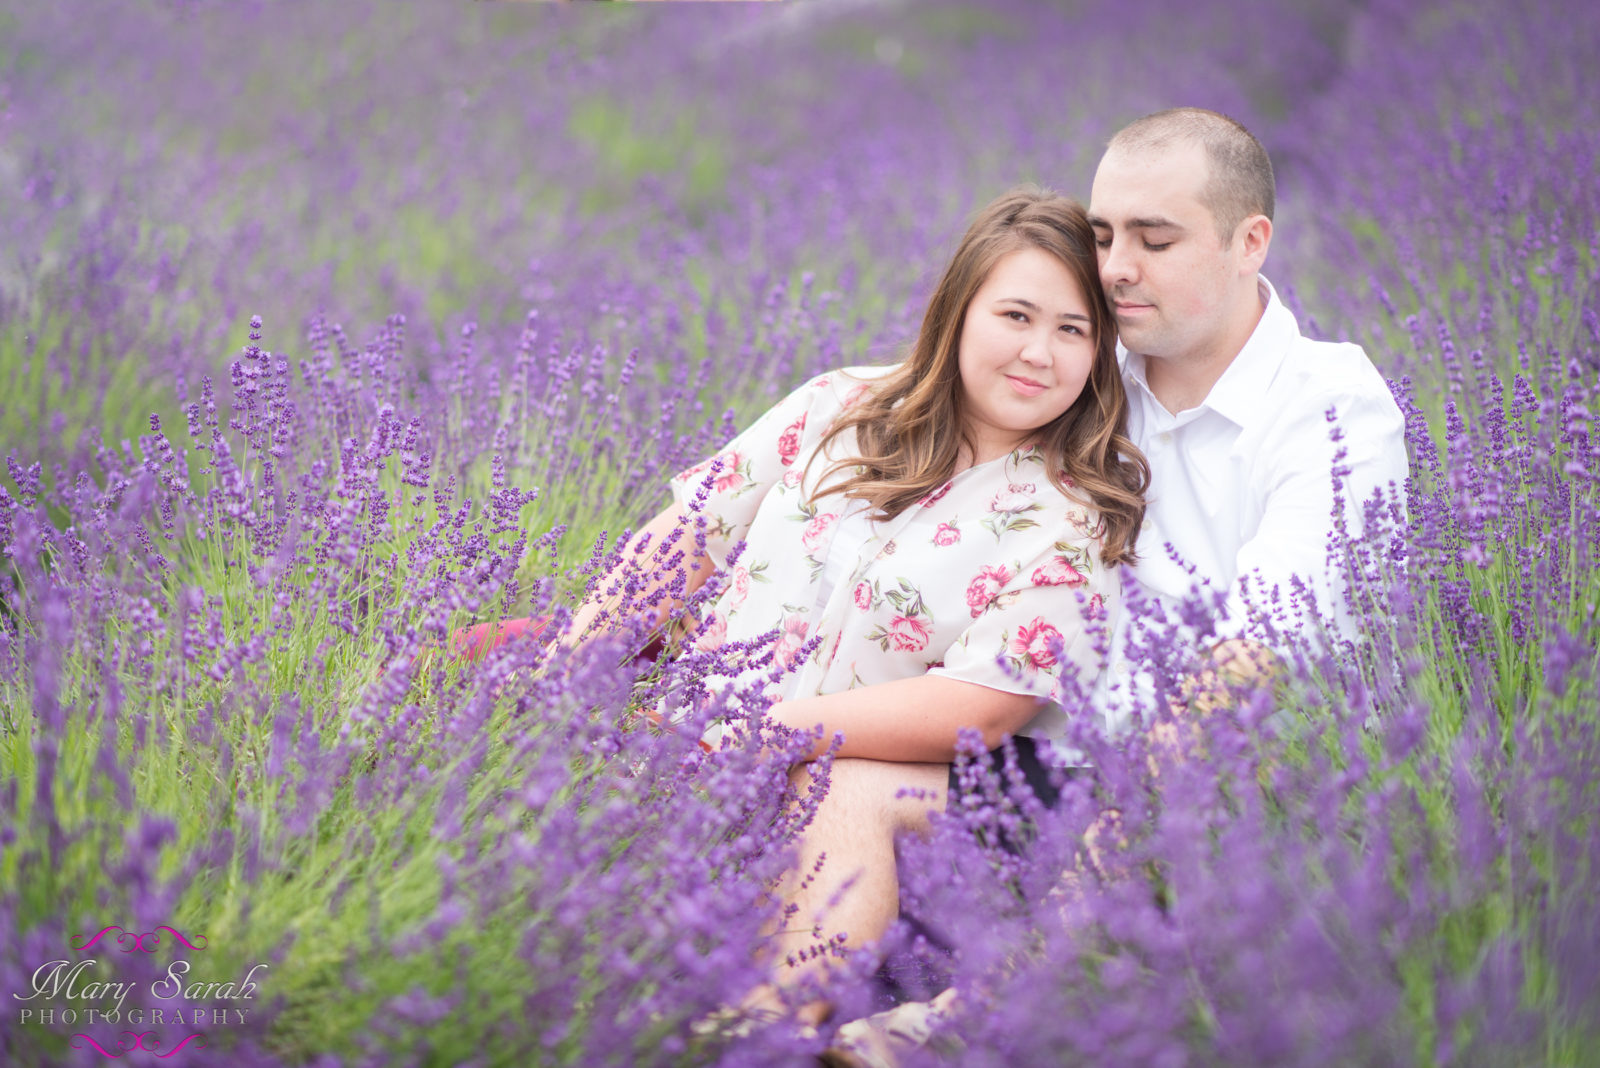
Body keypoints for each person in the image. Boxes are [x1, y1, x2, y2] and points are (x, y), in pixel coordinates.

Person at [452, 187, 1148, 1030]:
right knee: (472, 677)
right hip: (679, 723)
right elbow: (684, 539)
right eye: (1016, 315)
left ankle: (767, 1037)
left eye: (1073, 330)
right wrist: (573, 677)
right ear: (960, 310)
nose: (1039, 352)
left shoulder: (1074, 515)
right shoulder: (840, 406)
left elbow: (986, 703)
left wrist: (774, 731)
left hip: (835, 774)